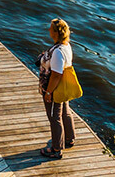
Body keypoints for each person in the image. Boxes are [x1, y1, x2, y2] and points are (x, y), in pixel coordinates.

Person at [39, 18, 78, 158]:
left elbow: (56, 75)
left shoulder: (57, 52)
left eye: (51, 28)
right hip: (63, 87)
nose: (48, 30)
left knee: (54, 117)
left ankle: (56, 149)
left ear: (55, 33)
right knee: (65, 111)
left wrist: (48, 92)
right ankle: (69, 138)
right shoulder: (66, 46)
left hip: (54, 88)